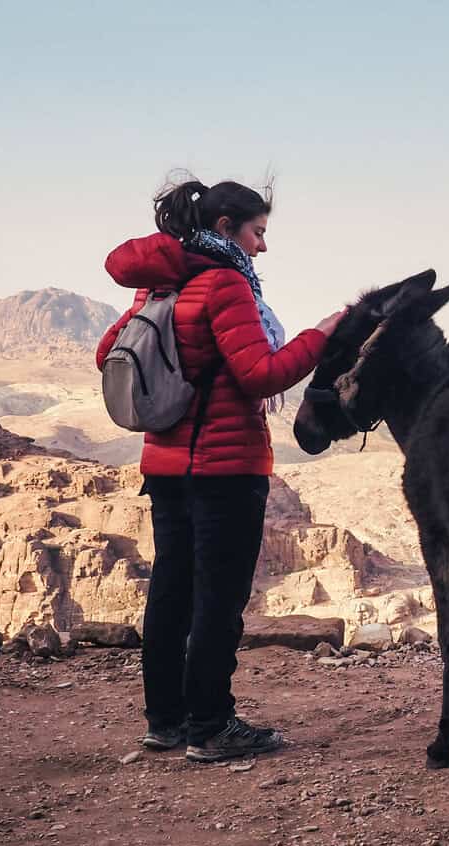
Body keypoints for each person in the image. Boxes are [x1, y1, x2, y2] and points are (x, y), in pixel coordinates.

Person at [95, 175, 346, 762]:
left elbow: (108, 353)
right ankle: (210, 725)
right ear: (227, 228)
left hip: (165, 465)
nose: (263, 246)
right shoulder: (224, 283)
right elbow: (261, 374)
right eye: (258, 232)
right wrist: (321, 335)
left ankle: (166, 721)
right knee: (217, 599)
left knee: (171, 591)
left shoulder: (158, 286)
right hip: (225, 467)